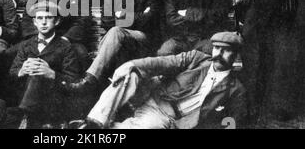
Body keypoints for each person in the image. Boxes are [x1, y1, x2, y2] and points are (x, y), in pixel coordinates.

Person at [74, 31, 247, 129]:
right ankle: (94, 124)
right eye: (216, 48)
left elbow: (233, 123)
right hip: (157, 102)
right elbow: (163, 62)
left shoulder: (235, 88)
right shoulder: (197, 58)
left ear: (236, 55)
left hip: (174, 122)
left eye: (226, 50)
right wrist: (131, 64)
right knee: (129, 74)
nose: (218, 54)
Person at [64, 0, 164, 94]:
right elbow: (106, 19)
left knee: (117, 31)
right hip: (119, 40)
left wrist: (121, 15)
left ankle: (89, 80)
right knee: (116, 34)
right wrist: (137, 15)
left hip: (142, 39)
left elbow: (150, 20)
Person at [8, 1, 83, 128]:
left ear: (57, 21)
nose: (43, 22)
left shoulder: (66, 47)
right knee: (33, 73)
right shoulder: (26, 45)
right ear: (34, 22)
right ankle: (24, 115)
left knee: (39, 75)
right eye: (40, 18)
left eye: (48, 18)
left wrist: (52, 74)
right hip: (24, 94)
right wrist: (21, 71)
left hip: (52, 101)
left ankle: (22, 117)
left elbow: (73, 81)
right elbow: (12, 73)